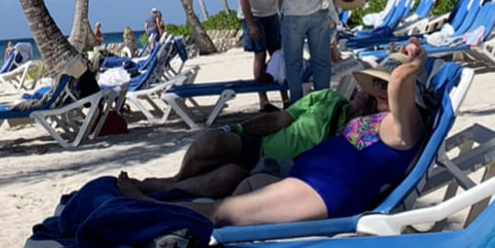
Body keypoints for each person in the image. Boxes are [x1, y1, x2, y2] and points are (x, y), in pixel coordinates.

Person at [185, 38, 433, 227]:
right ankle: (229, 237)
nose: (380, 89)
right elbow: (395, 82)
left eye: (385, 85)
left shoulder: (405, 127)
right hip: (309, 180)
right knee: (249, 186)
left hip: (325, 192)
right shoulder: (382, 118)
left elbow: (399, 79)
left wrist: (416, 62)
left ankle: (152, 210)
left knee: (219, 211)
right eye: (377, 83)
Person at [118, 82, 355, 201]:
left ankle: (159, 190)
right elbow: (279, 120)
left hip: (284, 172)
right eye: (371, 86)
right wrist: (237, 127)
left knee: (229, 176)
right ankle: (176, 179)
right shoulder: (327, 98)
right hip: (262, 145)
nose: (370, 95)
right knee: (214, 141)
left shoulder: (361, 134)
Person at [237, 0, 284, 109]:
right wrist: (251, 24)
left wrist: (282, 15)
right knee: (260, 54)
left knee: (277, 53)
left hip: (271, 13)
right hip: (254, 13)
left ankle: (284, 96)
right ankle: (263, 99)